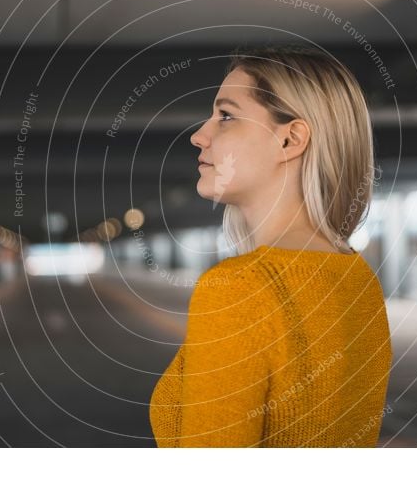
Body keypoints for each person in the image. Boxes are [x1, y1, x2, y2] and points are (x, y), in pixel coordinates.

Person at [149, 45, 392, 447]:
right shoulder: (358, 279)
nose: (199, 136)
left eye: (226, 116)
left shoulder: (240, 289)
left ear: (289, 139)